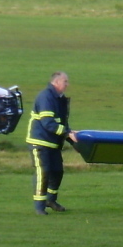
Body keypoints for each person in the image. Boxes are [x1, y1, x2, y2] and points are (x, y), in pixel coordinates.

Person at [26, 71, 78, 215]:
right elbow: (48, 123)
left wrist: (71, 136)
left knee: (57, 172)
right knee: (43, 173)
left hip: (53, 144)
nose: (67, 84)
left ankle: (50, 199)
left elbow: (62, 122)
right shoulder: (46, 97)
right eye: (65, 81)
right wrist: (67, 133)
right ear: (56, 82)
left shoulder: (59, 98)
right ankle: (39, 206)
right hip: (39, 142)